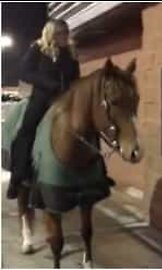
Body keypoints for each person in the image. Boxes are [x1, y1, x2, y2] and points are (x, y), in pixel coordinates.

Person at [6, 19, 113, 200]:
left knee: (88, 126)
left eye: (66, 32)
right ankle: (18, 177)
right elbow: (25, 72)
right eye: (60, 33)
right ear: (51, 34)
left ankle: (99, 174)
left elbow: (76, 77)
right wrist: (50, 84)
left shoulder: (70, 52)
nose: (64, 36)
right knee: (26, 131)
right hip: (42, 98)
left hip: (67, 98)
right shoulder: (37, 49)